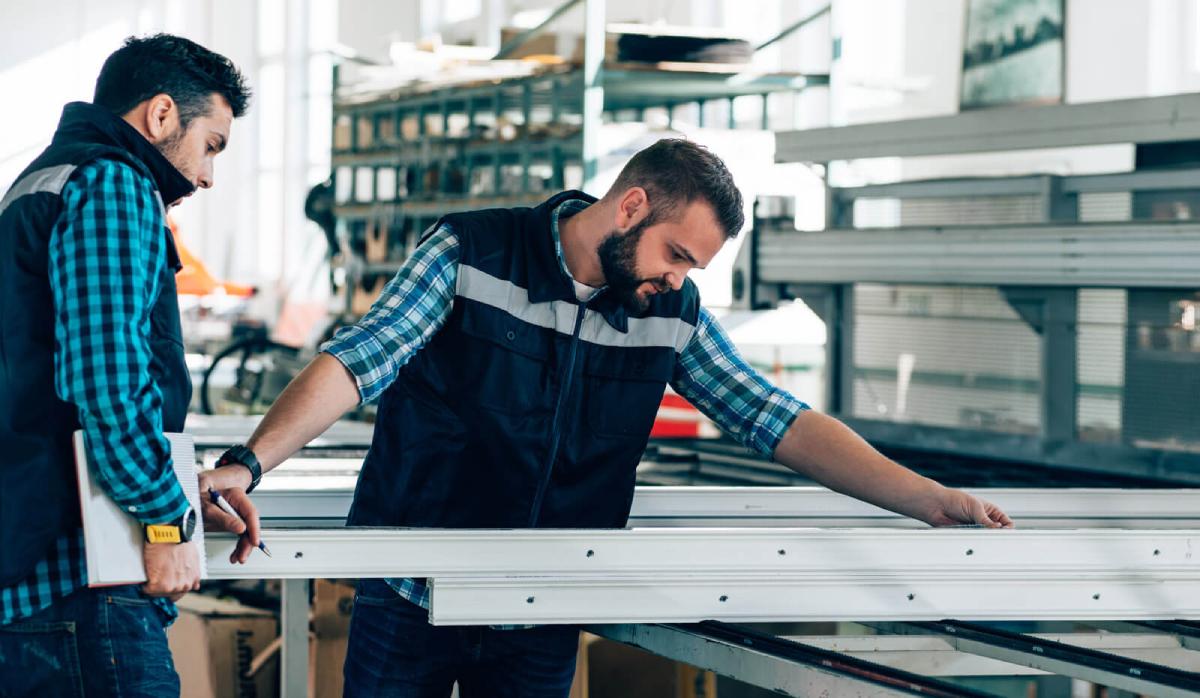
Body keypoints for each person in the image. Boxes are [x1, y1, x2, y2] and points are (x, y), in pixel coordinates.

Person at [202, 138, 1013, 697]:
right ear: (630, 207)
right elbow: (359, 360)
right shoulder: (472, 256)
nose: (679, 279)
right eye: (677, 255)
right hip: (414, 591)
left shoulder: (670, 311)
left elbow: (777, 418)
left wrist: (927, 498)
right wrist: (248, 462)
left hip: (538, 606)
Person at [0, 34, 250, 696]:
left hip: (39, 572)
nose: (207, 175)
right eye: (212, 145)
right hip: (83, 584)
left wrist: (182, 492)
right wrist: (168, 519)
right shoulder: (113, 183)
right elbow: (106, 383)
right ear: (162, 114)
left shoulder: (42, 179)